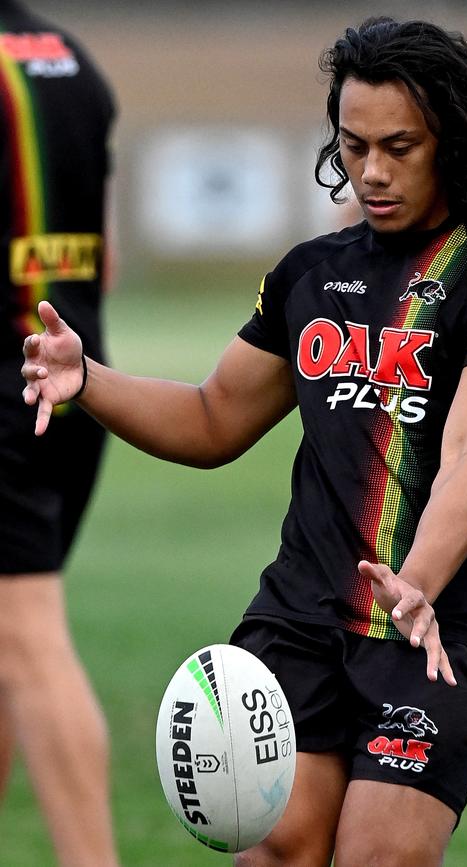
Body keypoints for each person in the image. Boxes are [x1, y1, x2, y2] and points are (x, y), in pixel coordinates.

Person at [22, 17, 467, 866]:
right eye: (354, 145)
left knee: (375, 855)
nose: (374, 171)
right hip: (301, 620)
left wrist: (418, 581)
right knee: (278, 845)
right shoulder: (312, 273)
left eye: (401, 145)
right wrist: (88, 379)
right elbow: (213, 419)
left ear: (453, 141)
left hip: (435, 629)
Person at [0, 1, 120, 864]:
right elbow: (101, 256)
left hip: (6, 388)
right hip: (75, 378)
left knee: (28, 643)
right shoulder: (74, 60)